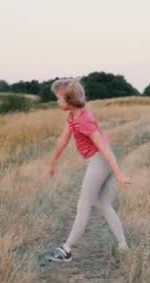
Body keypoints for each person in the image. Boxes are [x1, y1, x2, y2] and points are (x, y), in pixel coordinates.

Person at [43, 78, 131, 262]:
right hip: (101, 161)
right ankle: (123, 246)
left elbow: (104, 148)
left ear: (69, 100)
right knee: (103, 203)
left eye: (58, 98)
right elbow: (62, 140)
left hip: (101, 160)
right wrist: (51, 163)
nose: (57, 101)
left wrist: (118, 174)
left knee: (84, 204)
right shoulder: (73, 116)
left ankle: (66, 250)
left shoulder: (85, 121)